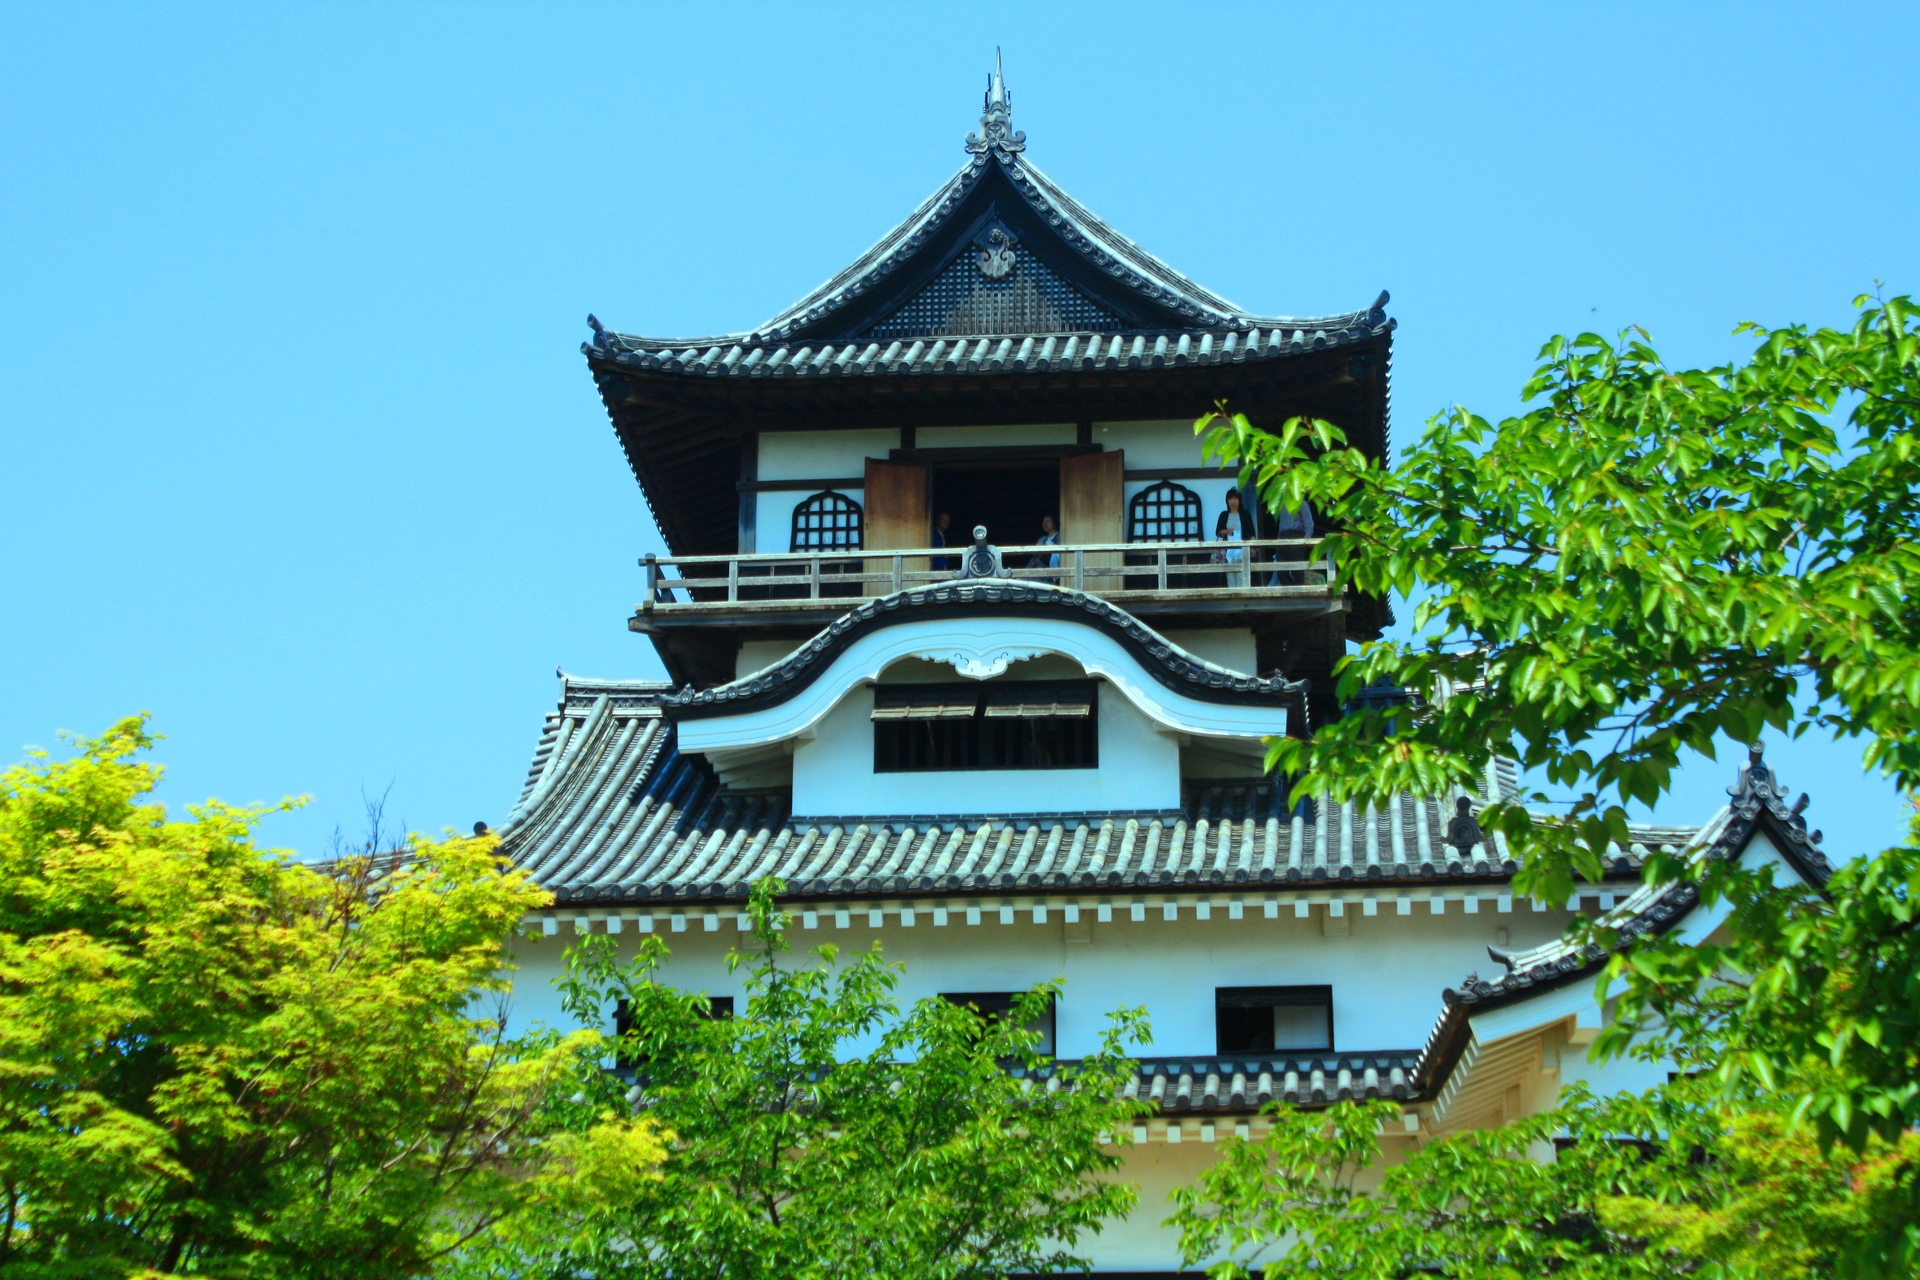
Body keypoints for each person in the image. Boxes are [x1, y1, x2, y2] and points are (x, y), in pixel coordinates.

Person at [1214, 489, 1253, 585]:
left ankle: (1242, 597)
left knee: (1242, 575)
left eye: (1235, 498)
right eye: (1230, 499)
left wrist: (1253, 547)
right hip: (1228, 551)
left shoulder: (1245, 514)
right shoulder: (1224, 515)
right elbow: (1218, 532)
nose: (1233, 501)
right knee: (1230, 576)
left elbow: (1251, 532)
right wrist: (1226, 531)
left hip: (1243, 549)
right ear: (1227, 501)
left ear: (1239, 500)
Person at [1027, 514, 1061, 581]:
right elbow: (1034, 552)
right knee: (1033, 561)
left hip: (1055, 564)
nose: (1045, 524)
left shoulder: (1060, 536)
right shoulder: (1043, 539)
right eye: (1043, 522)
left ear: (1054, 524)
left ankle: (1054, 579)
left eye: (1048, 521)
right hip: (1042, 564)